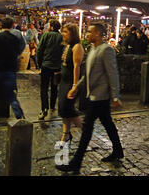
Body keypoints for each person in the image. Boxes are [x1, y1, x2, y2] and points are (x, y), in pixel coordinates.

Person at [55, 23, 124, 174]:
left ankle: (76, 162)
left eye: (89, 32)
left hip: (100, 96)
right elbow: (87, 74)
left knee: (87, 129)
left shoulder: (106, 50)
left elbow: (113, 74)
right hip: (93, 95)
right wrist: (77, 87)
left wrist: (115, 96)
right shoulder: (92, 49)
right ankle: (118, 150)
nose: (86, 34)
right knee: (107, 123)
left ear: (98, 33)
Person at [58, 24, 85, 145]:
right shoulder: (68, 45)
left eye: (66, 32)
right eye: (63, 31)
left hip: (70, 82)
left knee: (67, 108)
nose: (63, 34)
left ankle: (85, 131)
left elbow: (76, 67)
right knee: (64, 110)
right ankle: (66, 134)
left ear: (72, 33)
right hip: (64, 81)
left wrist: (75, 85)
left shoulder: (77, 47)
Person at [0, 18, 25, 119]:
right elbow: (21, 48)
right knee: (11, 95)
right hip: (10, 70)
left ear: (1, 25)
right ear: (12, 25)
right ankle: (19, 116)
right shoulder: (15, 38)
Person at [37, 19, 64, 120]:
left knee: (44, 88)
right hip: (57, 67)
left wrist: (39, 64)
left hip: (46, 65)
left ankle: (44, 109)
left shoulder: (46, 35)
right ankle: (52, 107)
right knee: (54, 87)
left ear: (51, 26)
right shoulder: (61, 37)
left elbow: (39, 50)